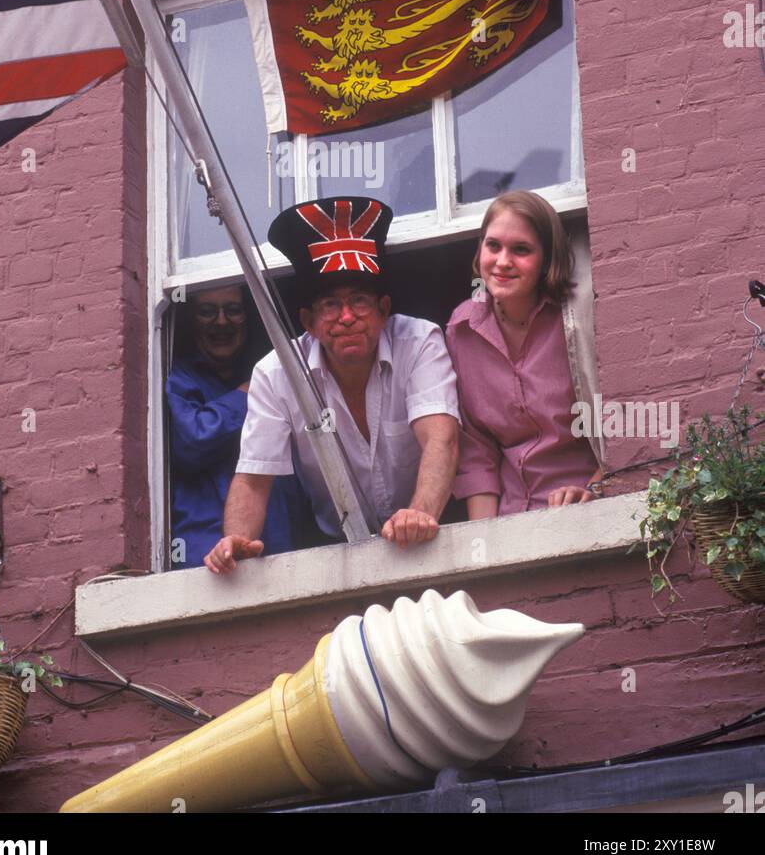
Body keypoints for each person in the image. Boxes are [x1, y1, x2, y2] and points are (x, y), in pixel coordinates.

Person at [203, 197, 460, 574]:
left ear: (384, 310)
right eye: (330, 305)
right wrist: (235, 540)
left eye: (360, 301)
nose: (346, 317)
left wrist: (419, 516)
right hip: (337, 552)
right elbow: (254, 478)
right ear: (307, 320)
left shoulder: (420, 341)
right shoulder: (276, 372)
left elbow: (442, 439)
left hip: (436, 531)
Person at [446, 190, 603, 519]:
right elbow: (477, 451)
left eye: (521, 250)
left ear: (547, 258)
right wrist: (486, 546)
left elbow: (621, 426)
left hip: (587, 508)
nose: (503, 262)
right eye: (493, 246)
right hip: (512, 518)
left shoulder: (579, 321)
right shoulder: (462, 331)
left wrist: (595, 490)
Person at [166, 284, 316, 568]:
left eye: (233, 311)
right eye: (207, 312)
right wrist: (249, 394)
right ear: (190, 320)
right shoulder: (180, 377)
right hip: (207, 556)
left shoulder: (269, 376)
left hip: (281, 551)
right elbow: (190, 443)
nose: (221, 322)